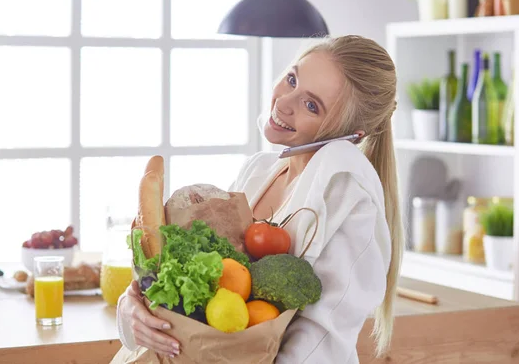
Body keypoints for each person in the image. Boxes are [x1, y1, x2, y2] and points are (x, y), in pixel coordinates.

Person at [116, 34, 404, 363]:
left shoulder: (347, 192)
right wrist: (133, 309)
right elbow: (201, 289)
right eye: (292, 79)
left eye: (311, 105)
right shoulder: (257, 171)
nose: (283, 103)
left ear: (350, 138)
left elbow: (322, 341)